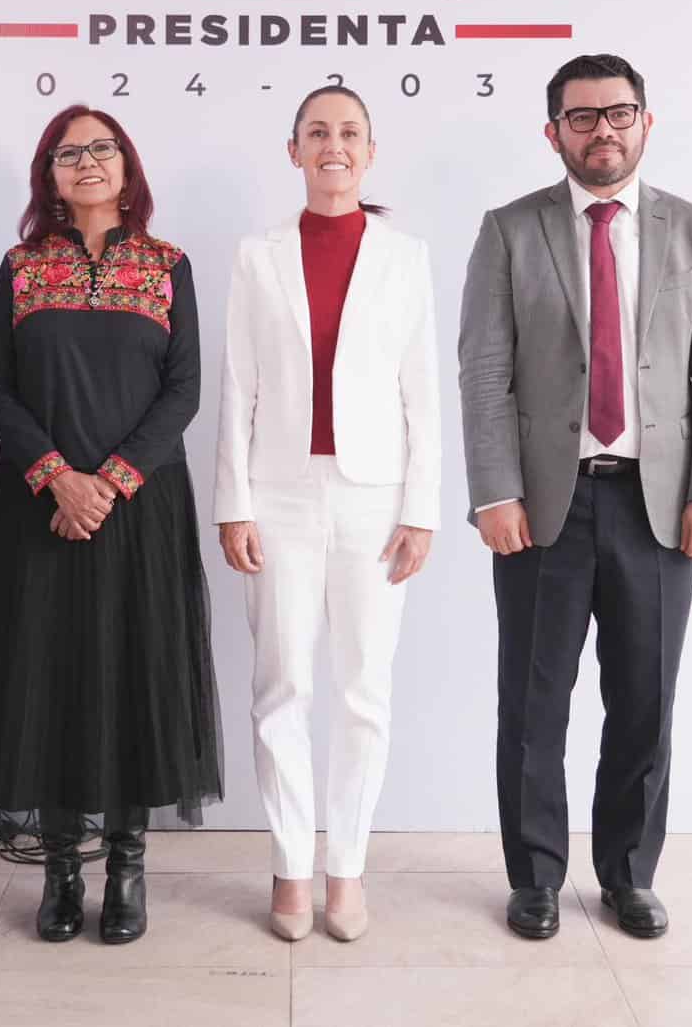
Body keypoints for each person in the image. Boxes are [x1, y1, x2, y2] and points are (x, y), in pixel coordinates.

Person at [458, 53, 692, 941]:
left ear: (645, 122)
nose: (602, 130)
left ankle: (628, 875)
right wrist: (494, 490)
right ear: (554, 133)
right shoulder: (510, 229)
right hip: (544, 507)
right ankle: (536, 878)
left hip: (658, 510)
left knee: (645, 704)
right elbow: (484, 371)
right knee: (533, 706)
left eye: (617, 113)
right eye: (581, 117)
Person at [0, 104, 222, 945]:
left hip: (140, 506)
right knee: (47, 673)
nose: (88, 162)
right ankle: (59, 869)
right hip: (40, 507)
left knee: (134, 674)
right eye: (69, 152)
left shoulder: (167, 264)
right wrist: (57, 478)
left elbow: (183, 389)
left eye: (103, 148)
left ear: (127, 166)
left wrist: (107, 483)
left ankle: (125, 867)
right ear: (48, 174)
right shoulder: (20, 266)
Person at [214, 85, 441, 942]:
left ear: (370, 152)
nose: (333, 145)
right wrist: (232, 503)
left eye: (349, 132)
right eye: (317, 132)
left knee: (362, 691)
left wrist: (421, 509)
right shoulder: (257, 255)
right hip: (277, 494)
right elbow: (237, 385)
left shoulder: (406, 257)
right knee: (282, 686)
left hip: (374, 498)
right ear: (295, 150)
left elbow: (423, 393)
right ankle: (289, 866)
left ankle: (346, 867)